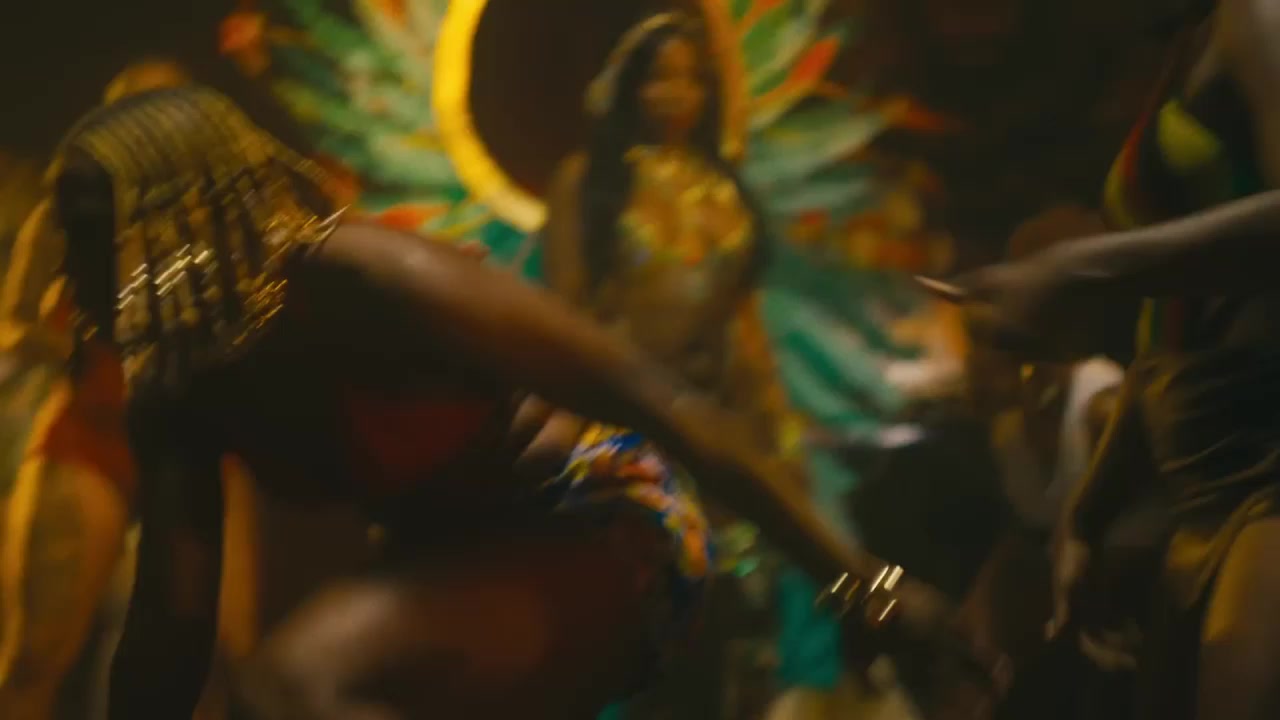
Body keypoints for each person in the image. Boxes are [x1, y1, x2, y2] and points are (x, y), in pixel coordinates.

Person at [43, 85, 943, 720]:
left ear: (184, 214)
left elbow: (661, 400)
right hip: (454, 568)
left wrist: (867, 587)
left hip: (608, 518)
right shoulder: (179, 381)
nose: (68, 269)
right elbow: (171, 631)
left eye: (89, 233)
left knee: (295, 685)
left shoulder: (370, 278)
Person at [940, 1, 1280, 717]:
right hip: (1202, 490)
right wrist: (1095, 503)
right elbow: (1179, 326)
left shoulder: (1257, 14)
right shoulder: (1184, 43)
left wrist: (1083, 272)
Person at [0, 59, 261, 720]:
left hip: (198, 446)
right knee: (34, 659)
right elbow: (14, 321)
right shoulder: (70, 210)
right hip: (93, 438)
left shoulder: (226, 211)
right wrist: (71, 338)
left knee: (213, 664)